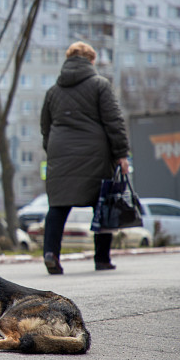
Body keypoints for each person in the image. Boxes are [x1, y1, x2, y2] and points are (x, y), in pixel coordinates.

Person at [40, 41, 129, 275]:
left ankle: (51, 254)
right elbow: (114, 121)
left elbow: (45, 128)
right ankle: (101, 259)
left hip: (60, 154)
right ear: (91, 61)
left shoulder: (53, 91)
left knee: (57, 207)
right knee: (102, 204)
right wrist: (121, 154)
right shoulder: (100, 85)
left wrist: (53, 154)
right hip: (95, 154)